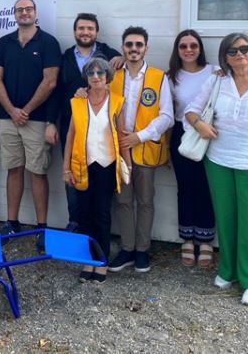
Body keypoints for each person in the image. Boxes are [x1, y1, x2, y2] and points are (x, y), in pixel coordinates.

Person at [185, 32, 248, 307]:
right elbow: (191, 110)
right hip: (218, 161)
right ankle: (228, 269)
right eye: (232, 51)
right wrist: (199, 125)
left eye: (244, 49)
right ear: (224, 57)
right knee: (226, 220)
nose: (239, 54)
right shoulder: (217, 80)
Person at [0, 0, 60, 249]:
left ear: (35, 12)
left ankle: (42, 227)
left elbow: (50, 81)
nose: (24, 13)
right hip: (8, 119)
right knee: (13, 169)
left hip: (37, 119)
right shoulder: (4, 43)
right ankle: (12, 222)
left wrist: (26, 110)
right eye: (19, 10)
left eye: (28, 9)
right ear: (14, 14)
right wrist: (11, 109)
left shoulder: (49, 42)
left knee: (38, 171)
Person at [106, 26, 173, 273]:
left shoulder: (158, 77)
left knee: (145, 201)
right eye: (129, 45)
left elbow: (167, 116)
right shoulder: (112, 74)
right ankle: (127, 249)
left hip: (144, 149)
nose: (134, 49)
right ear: (123, 47)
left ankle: (142, 250)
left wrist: (139, 136)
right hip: (117, 150)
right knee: (123, 201)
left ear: (146, 48)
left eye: (139, 45)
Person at [51, 13, 121, 232]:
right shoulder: (65, 58)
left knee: (100, 191)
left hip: (103, 134)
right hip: (73, 126)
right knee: (73, 179)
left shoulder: (109, 53)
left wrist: (123, 59)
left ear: (96, 32)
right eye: (81, 28)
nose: (85, 32)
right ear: (75, 32)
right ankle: (77, 225)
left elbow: (131, 58)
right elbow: (56, 91)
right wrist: (50, 122)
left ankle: (97, 234)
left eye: (90, 28)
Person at [63, 58, 129, 283]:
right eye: (91, 72)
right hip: (83, 164)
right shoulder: (78, 101)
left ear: (108, 76)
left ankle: (101, 261)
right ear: (87, 76)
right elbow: (70, 136)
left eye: (101, 72)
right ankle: (87, 260)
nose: (96, 76)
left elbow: (121, 134)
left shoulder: (117, 101)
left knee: (102, 214)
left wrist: (126, 165)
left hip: (107, 165)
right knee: (83, 214)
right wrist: (65, 168)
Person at [166, 29, 217, 268]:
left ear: (200, 48)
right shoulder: (171, 77)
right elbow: (167, 112)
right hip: (181, 134)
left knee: (206, 187)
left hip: (209, 135)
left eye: (193, 46)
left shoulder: (215, 72)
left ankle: (206, 240)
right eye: (183, 46)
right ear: (177, 50)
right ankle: (187, 238)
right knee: (185, 188)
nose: (188, 50)